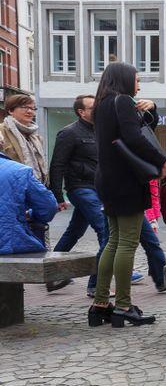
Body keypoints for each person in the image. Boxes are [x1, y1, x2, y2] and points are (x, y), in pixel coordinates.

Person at [89, 62, 166, 328]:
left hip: (107, 179)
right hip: (126, 180)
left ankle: (100, 304)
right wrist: (161, 161)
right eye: (136, 79)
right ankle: (123, 305)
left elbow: (138, 130)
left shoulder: (102, 104)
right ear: (124, 80)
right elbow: (135, 138)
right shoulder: (122, 101)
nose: (139, 84)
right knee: (127, 243)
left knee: (113, 241)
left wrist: (152, 110)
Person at [47, 94, 107, 294]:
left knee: (74, 231)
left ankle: (51, 274)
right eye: (92, 108)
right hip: (80, 188)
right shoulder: (69, 133)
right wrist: (57, 196)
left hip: (98, 188)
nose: (97, 110)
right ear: (81, 112)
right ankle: (96, 285)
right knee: (105, 230)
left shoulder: (100, 131)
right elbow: (57, 165)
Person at [0, 150, 58, 255]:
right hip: (13, 245)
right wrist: (30, 215)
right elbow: (49, 207)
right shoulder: (20, 171)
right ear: (2, 143)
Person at [1, 94, 49, 186]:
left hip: (35, 186)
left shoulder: (35, 136)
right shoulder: (2, 132)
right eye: (25, 107)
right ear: (11, 110)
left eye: (33, 108)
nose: (30, 111)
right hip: (10, 187)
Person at [140, 178, 166, 292]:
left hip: (144, 209)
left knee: (150, 243)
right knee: (115, 245)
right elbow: (150, 193)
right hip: (141, 209)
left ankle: (159, 277)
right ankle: (161, 278)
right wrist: (152, 217)